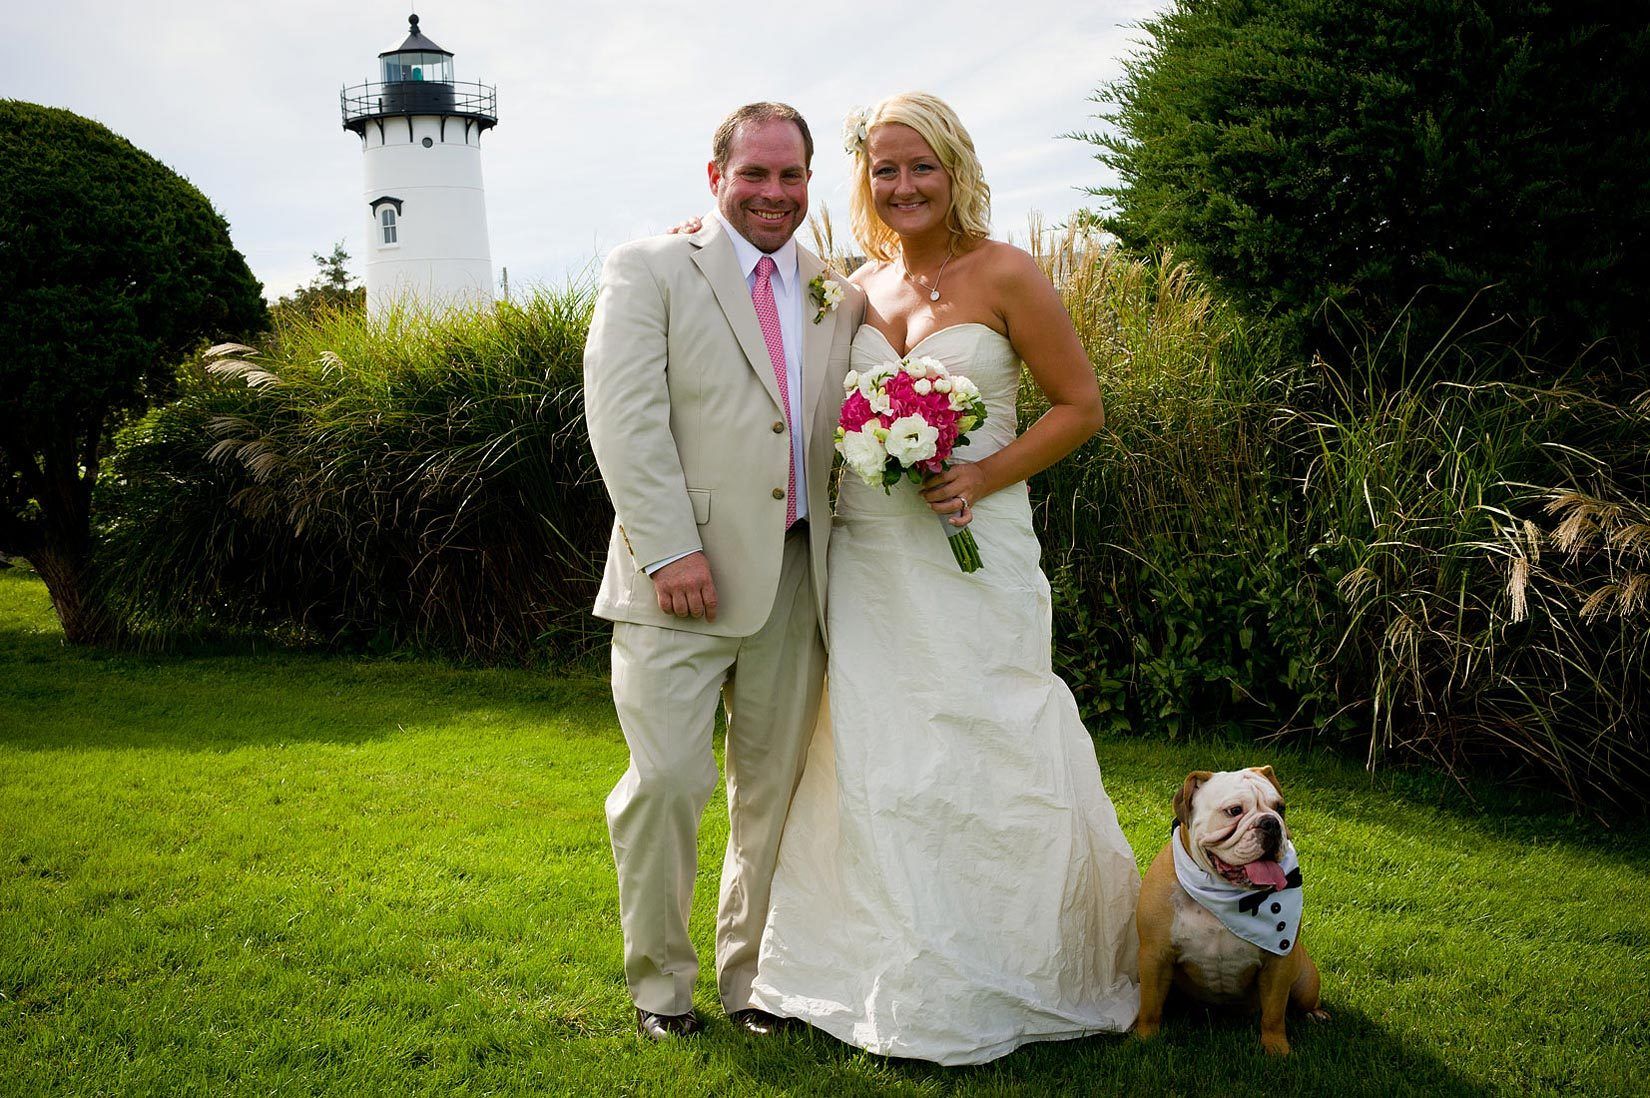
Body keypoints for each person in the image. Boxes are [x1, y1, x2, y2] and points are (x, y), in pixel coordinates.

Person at [742, 92, 1141, 1065]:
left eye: (921, 166)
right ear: (865, 180)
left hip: (976, 546)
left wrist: (979, 472)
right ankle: (875, 970)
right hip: (874, 556)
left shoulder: (1005, 272)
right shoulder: (855, 290)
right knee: (877, 746)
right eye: (886, 169)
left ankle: (1012, 962)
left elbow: (1079, 407)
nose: (905, 185)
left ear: (955, 168)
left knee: (986, 726)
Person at [582, 102, 867, 1041]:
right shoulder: (650, 268)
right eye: (755, 175)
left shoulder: (838, 289)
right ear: (717, 178)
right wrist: (671, 550)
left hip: (797, 577)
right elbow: (625, 421)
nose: (774, 194)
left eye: (791, 177)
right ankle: (662, 988)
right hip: (677, 579)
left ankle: (753, 985)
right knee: (665, 783)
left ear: (809, 183)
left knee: (770, 794)